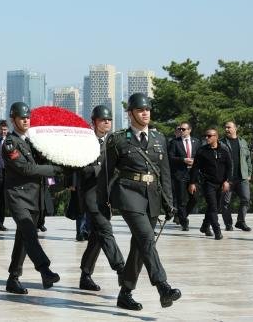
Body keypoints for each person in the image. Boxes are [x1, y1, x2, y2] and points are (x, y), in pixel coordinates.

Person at [104, 93, 180, 310]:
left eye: (147, 109)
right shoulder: (118, 139)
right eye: (140, 110)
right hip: (129, 194)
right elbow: (106, 175)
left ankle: (125, 293)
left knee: (140, 247)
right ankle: (163, 286)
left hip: (153, 197)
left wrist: (169, 202)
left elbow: (164, 173)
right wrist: (103, 202)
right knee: (147, 238)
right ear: (130, 114)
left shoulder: (158, 138)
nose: (145, 113)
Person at [2, 102, 62, 295]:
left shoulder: (32, 141)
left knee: (23, 238)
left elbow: (43, 159)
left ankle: (13, 278)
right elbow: (26, 169)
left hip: (34, 197)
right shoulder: (10, 143)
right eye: (21, 117)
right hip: (18, 195)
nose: (26, 120)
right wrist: (54, 170)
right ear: (14, 120)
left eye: (28, 117)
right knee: (29, 233)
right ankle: (45, 270)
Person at [77, 105, 125, 292]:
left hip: (107, 194)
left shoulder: (114, 142)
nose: (107, 123)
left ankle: (85, 275)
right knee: (105, 229)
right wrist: (101, 169)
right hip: (90, 193)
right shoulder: (85, 142)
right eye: (103, 120)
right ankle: (121, 268)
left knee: (97, 237)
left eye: (109, 120)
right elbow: (81, 168)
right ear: (94, 122)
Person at [189, 128, 232, 240]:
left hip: (221, 184)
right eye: (205, 136)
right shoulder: (202, 151)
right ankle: (217, 232)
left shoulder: (224, 150)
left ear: (216, 137)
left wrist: (227, 181)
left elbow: (229, 167)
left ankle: (205, 226)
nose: (206, 138)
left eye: (209, 136)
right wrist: (192, 183)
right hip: (208, 183)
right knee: (213, 207)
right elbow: (195, 168)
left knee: (215, 207)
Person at [219, 121, 252, 232]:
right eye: (225, 127)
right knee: (225, 202)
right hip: (227, 179)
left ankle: (241, 222)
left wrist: (249, 173)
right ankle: (228, 224)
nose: (226, 129)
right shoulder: (221, 143)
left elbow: (248, 159)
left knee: (246, 199)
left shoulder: (243, 142)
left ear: (235, 128)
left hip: (242, 177)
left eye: (229, 127)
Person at [168, 122, 199, 231]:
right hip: (180, 174)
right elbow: (170, 157)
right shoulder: (174, 142)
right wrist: (183, 160)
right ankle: (184, 222)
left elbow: (200, 156)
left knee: (194, 198)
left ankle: (182, 215)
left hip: (193, 175)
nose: (181, 131)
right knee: (181, 200)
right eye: (180, 129)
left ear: (189, 130)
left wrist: (195, 161)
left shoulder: (196, 142)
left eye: (183, 129)